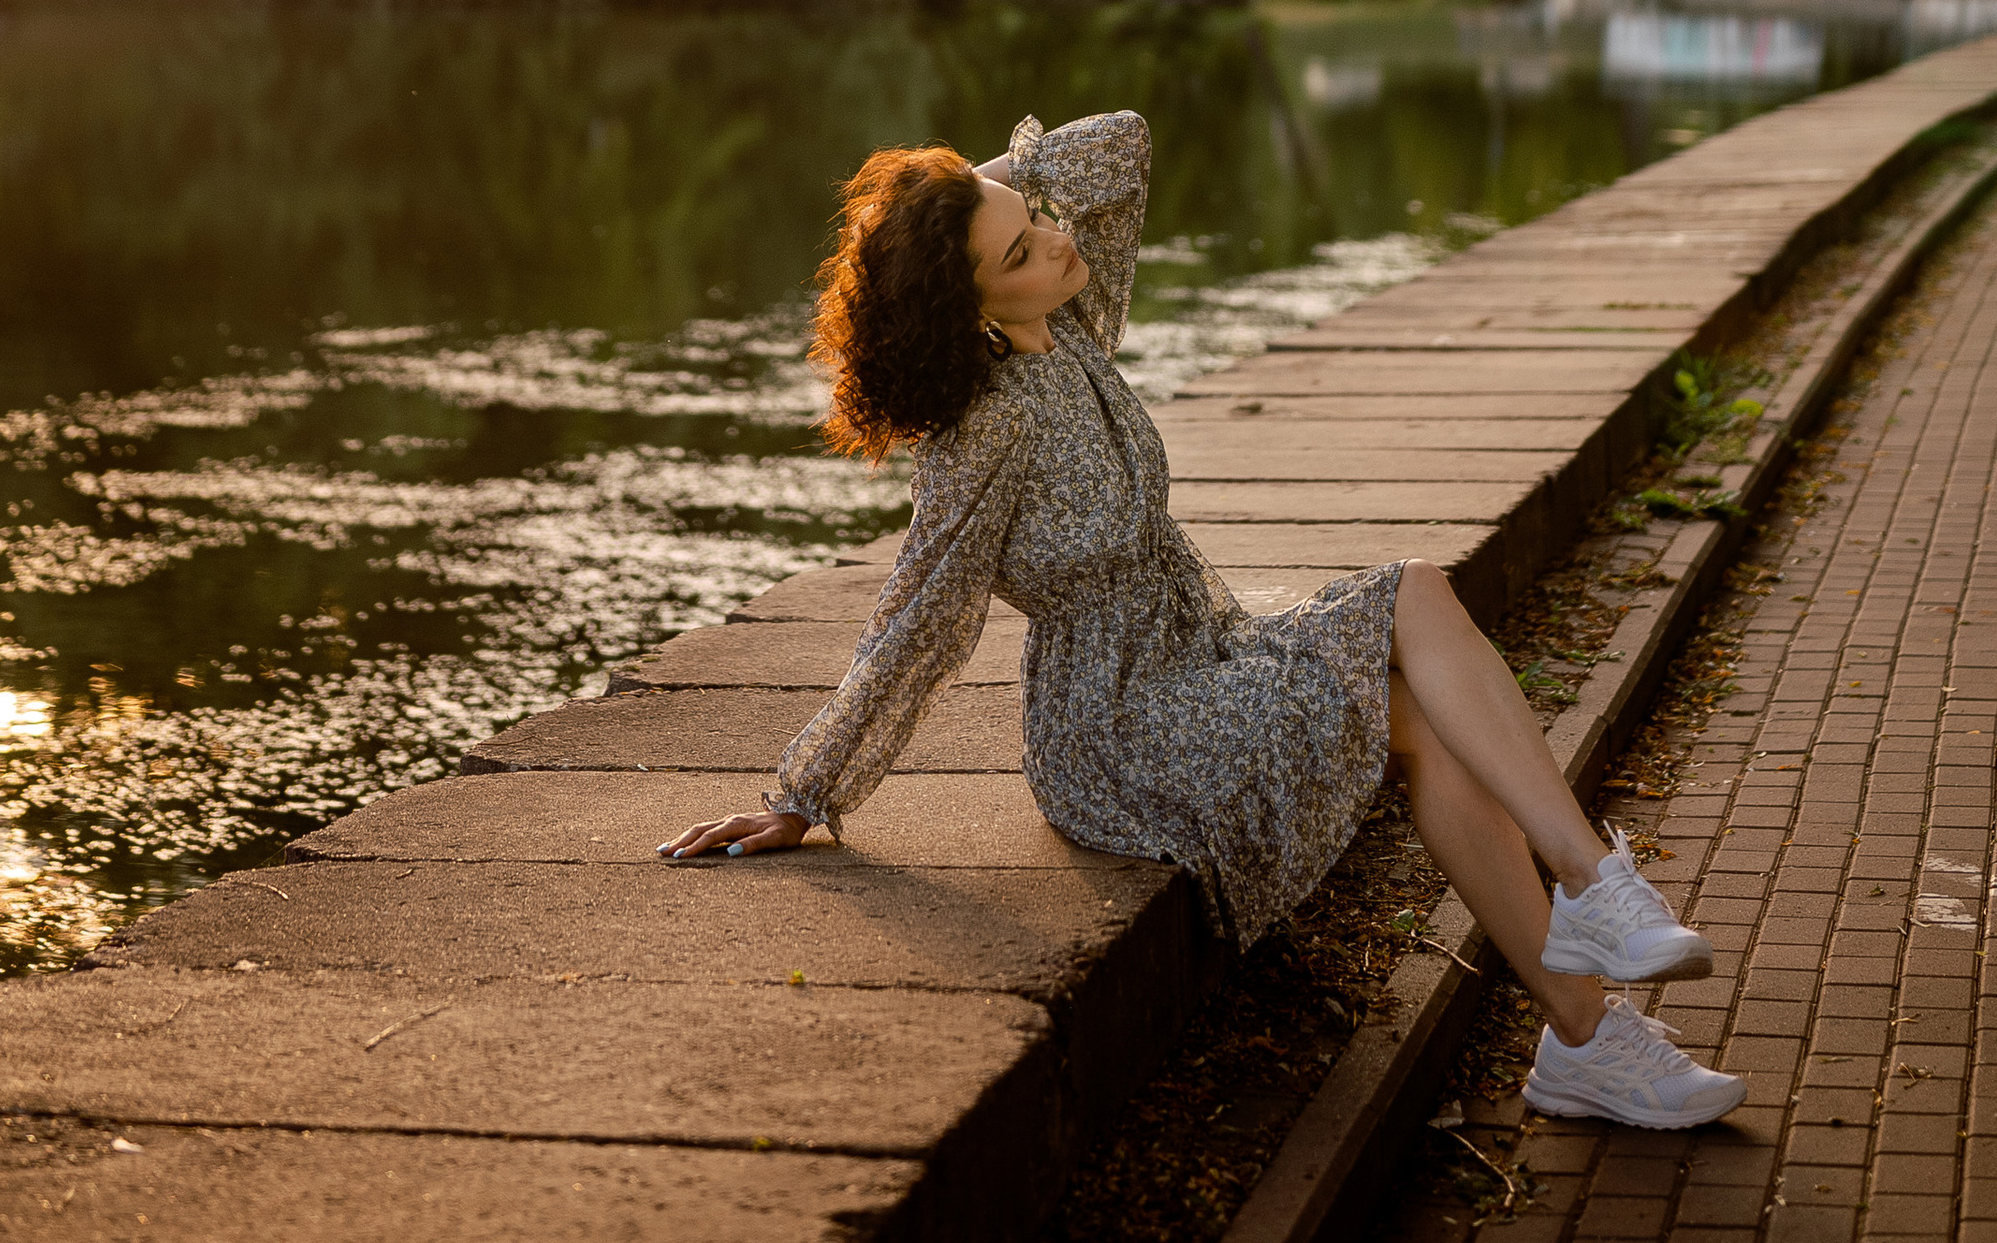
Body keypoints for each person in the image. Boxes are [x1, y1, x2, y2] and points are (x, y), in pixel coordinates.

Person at [661, 108, 1744, 1130]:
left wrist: (963, 191)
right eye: (1022, 251)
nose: (1054, 238)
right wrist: (804, 794)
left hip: (1204, 655)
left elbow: (1118, 145)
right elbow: (915, 624)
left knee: (1420, 706)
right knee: (1412, 591)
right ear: (969, 308)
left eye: (1038, 222)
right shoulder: (979, 434)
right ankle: (1591, 909)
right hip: (1120, 729)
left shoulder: (1072, 325)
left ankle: (1583, 1025)